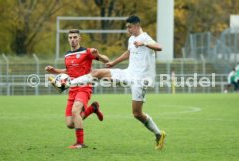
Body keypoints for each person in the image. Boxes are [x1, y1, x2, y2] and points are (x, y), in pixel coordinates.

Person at [54, 15, 166, 150]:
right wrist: (113, 62)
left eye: (129, 27)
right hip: (128, 73)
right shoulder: (132, 39)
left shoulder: (145, 38)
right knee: (97, 73)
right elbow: (128, 53)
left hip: (140, 80)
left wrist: (145, 43)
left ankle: (159, 134)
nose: (128, 30)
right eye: (127, 27)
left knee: (137, 114)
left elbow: (159, 47)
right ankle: (69, 83)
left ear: (137, 25)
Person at [45, 29, 110, 149]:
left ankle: (80, 143)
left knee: (75, 112)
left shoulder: (87, 52)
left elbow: (107, 60)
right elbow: (68, 71)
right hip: (72, 89)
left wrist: (98, 54)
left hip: (84, 87)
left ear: (79, 39)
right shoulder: (67, 55)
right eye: (70, 38)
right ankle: (92, 109)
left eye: (75, 37)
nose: (72, 40)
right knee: (70, 124)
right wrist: (54, 71)